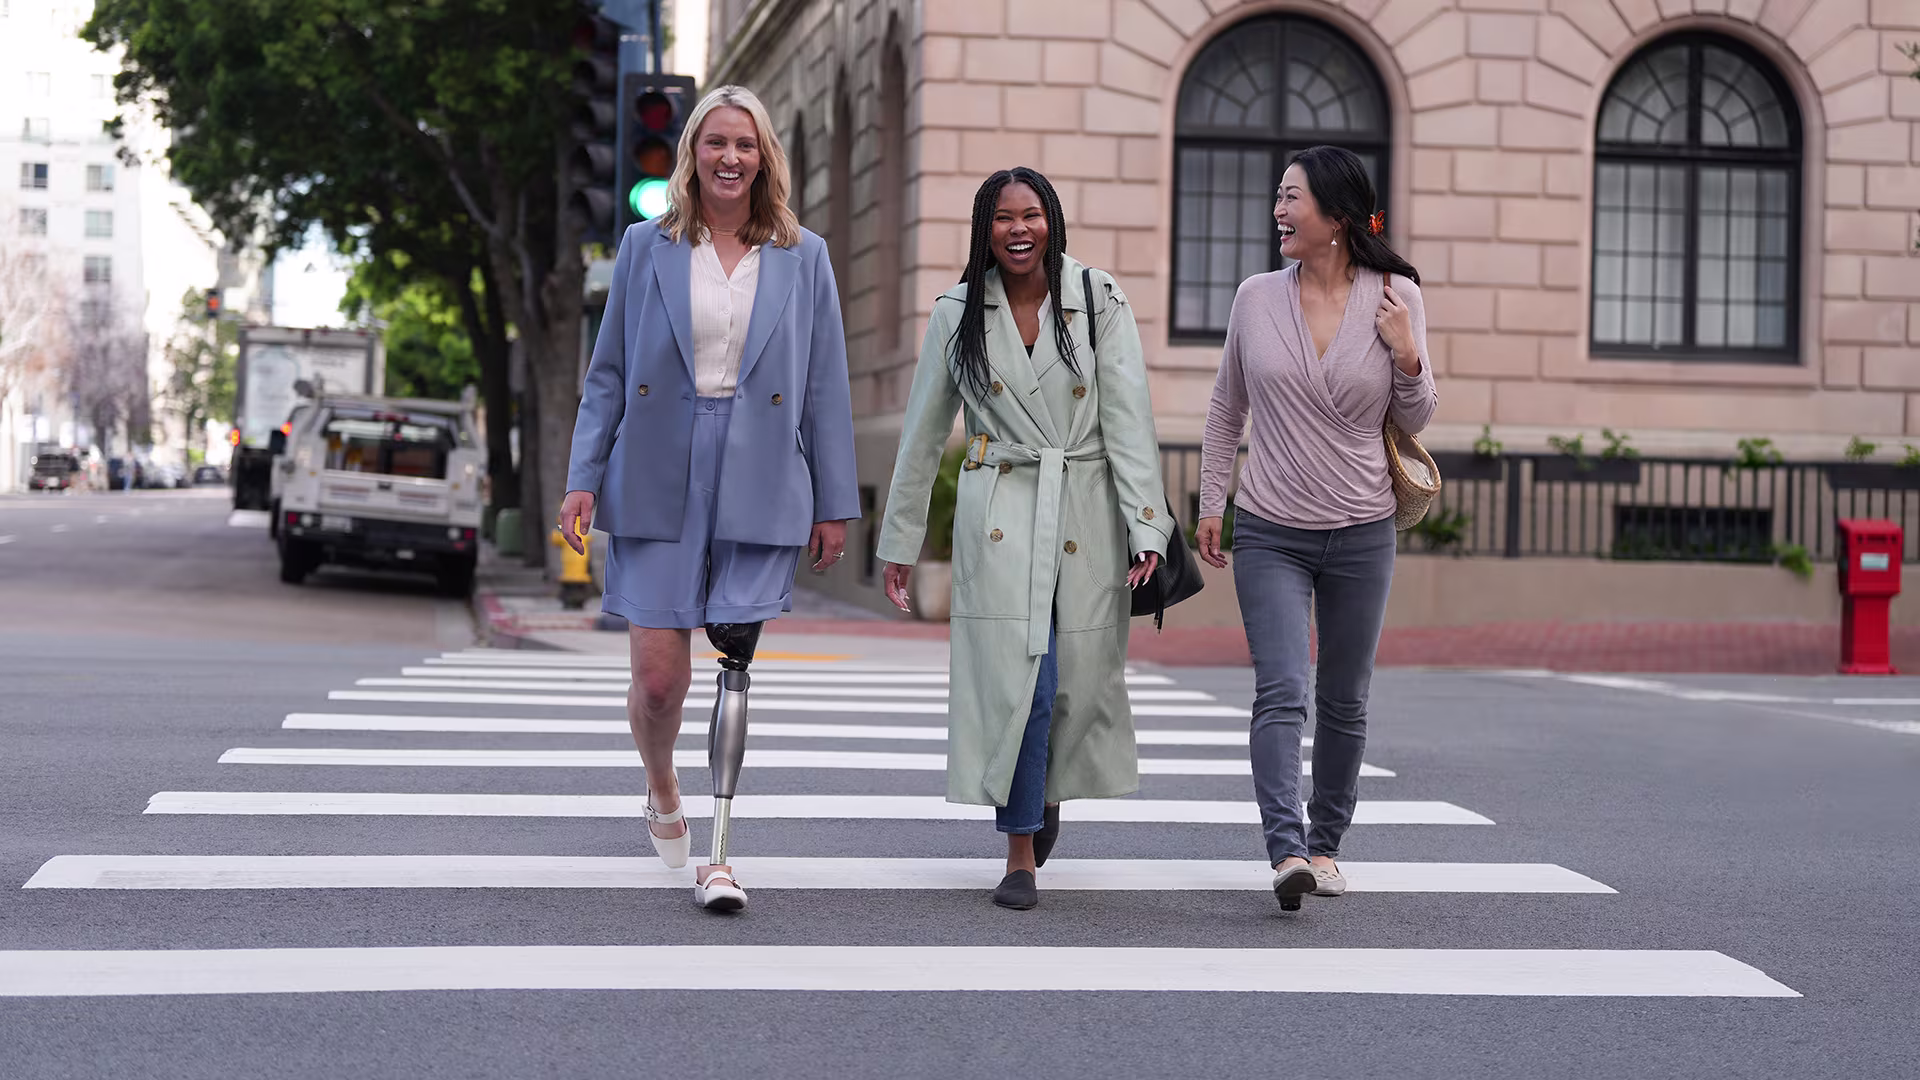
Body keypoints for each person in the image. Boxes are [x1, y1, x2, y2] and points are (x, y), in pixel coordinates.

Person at [558, 85, 859, 913]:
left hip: (760, 470)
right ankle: (661, 787)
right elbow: (609, 374)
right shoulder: (644, 245)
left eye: (747, 145)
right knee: (660, 683)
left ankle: (720, 857)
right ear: (692, 152)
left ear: (766, 159)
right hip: (657, 467)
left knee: (734, 665)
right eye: (717, 142)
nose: (731, 158)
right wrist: (583, 477)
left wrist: (834, 500)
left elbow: (825, 388)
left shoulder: (806, 255)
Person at [876, 167, 1171, 911]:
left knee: (1070, 683)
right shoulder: (958, 311)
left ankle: (1043, 791)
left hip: (1083, 510)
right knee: (1021, 682)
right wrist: (900, 541)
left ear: (1051, 221)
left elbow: (1129, 417)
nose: (1017, 230)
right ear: (985, 227)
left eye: (1031, 215)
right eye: (1003, 217)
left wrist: (1148, 524)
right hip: (1000, 509)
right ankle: (1019, 853)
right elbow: (921, 433)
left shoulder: (1097, 298)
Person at [1196, 145, 1438, 911]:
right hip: (1270, 526)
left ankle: (1328, 844)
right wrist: (1212, 503)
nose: (1279, 210)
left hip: (1363, 528)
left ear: (1336, 215)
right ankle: (1287, 848)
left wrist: (1408, 357)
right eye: (1278, 196)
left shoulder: (1395, 297)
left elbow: (1418, 415)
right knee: (1281, 689)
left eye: (1292, 198)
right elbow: (1226, 406)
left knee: (1344, 697)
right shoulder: (1256, 297)